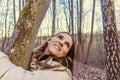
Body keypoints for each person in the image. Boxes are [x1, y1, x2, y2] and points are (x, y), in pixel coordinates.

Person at [0, 32, 74, 80]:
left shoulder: (63, 74)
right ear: (49, 40)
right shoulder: (35, 59)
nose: (61, 42)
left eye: (66, 44)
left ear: (66, 54)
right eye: (60, 37)